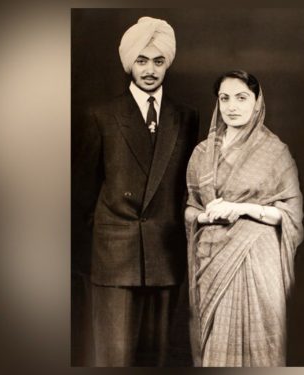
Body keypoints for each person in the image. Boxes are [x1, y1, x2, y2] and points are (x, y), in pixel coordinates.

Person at [71, 16, 199, 366]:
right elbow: (81, 195)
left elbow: (186, 188)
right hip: (112, 257)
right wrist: (91, 257)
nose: (150, 70)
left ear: (167, 63)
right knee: (114, 359)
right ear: (129, 62)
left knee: (155, 358)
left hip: (165, 256)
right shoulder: (101, 115)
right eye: (141, 60)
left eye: (158, 61)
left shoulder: (185, 118)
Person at [184, 70, 303, 366]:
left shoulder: (275, 152)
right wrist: (203, 218)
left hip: (257, 262)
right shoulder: (201, 153)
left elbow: (292, 215)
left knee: (261, 341)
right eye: (225, 98)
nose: (232, 106)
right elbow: (189, 208)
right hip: (212, 259)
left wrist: (244, 209)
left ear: (256, 103)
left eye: (241, 98)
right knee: (215, 343)